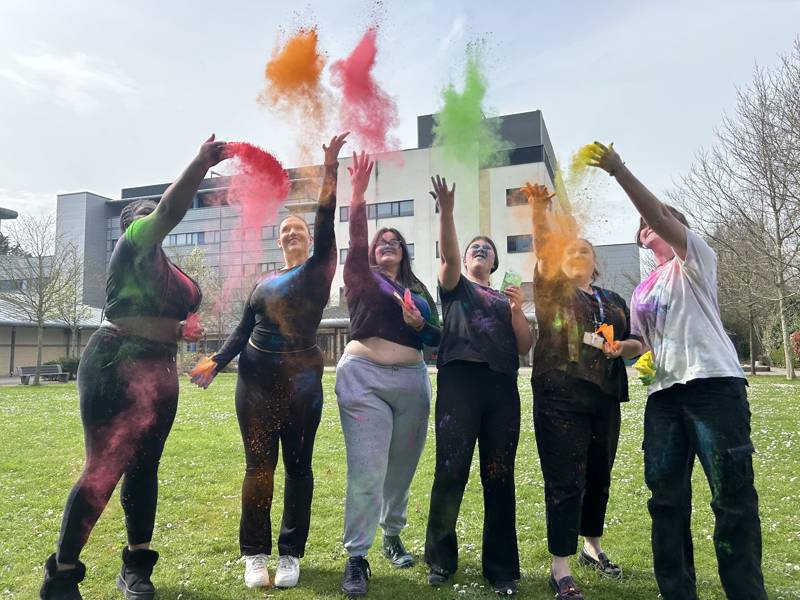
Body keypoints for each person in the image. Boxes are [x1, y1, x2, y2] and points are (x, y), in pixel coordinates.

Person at [39, 135, 228, 600]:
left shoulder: (169, 273)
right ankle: (61, 576)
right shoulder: (133, 243)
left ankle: (136, 569)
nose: (153, 225)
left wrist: (184, 328)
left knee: (145, 468)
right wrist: (200, 165)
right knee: (104, 469)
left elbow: (185, 309)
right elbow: (167, 212)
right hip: (115, 361)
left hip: (158, 369)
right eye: (146, 220)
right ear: (133, 227)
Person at [588, 143, 767, 600]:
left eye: (652, 221)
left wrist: (619, 171)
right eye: (640, 226)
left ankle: (746, 592)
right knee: (666, 502)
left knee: (732, 500)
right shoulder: (643, 288)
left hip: (714, 387)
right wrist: (619, 349)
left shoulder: (696, 259)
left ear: (674, 226)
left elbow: (662, 217)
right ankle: (677, 592)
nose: (645, 226)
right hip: (664, 398)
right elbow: (644, 344)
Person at [190, 133, 349, 589]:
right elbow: (242, 330)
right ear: (278, 242)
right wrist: (216, 362)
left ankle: (291, 554)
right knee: (257, 467)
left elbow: (327, 219)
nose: (291, 232)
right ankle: (255, 555)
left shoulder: (319, 271)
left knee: (299, 468)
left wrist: (329, 169)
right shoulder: (263, 284)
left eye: (297, 228)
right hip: (255, 385)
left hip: (302, 384)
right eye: (285, 231)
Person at [526, 182, 642, 600]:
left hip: (605, 396)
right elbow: (543, 251)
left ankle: (592, 547)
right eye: (570, 250)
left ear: (596, 263)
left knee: (599, 475)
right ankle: (560, 567)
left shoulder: (612, 299)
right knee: (564, 480)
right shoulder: (553, 289)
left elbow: (635, 343)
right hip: (560, 397)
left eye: (585, 251)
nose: (578, 254)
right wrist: (540, 208)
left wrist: (622, 347)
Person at [335, 151, 441, 597]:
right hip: (363, 379)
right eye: (383, 240)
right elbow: (357, 241)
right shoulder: (362, 276)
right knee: (367, 469)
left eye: (395, 241)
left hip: (412, 383)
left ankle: (392, 533)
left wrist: (421, 325)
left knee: (401, 469)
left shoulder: (418, 290)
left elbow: (437, 337)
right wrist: (358, 194)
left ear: (405, 252)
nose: (388, 244)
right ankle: (357, 557)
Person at [423, 175, 533, 596]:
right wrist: (447, 213)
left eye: (487, 249)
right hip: (460, 382)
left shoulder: (506, 299)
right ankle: (440, 559)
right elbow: (448, 256)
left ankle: (502, 568)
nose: (480, 251)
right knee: (451, 471)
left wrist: (520, 312)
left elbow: (525, 346)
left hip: (501, 389)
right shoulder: (455, 288)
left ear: (495, 263)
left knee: (499, 476)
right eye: (475, 248)